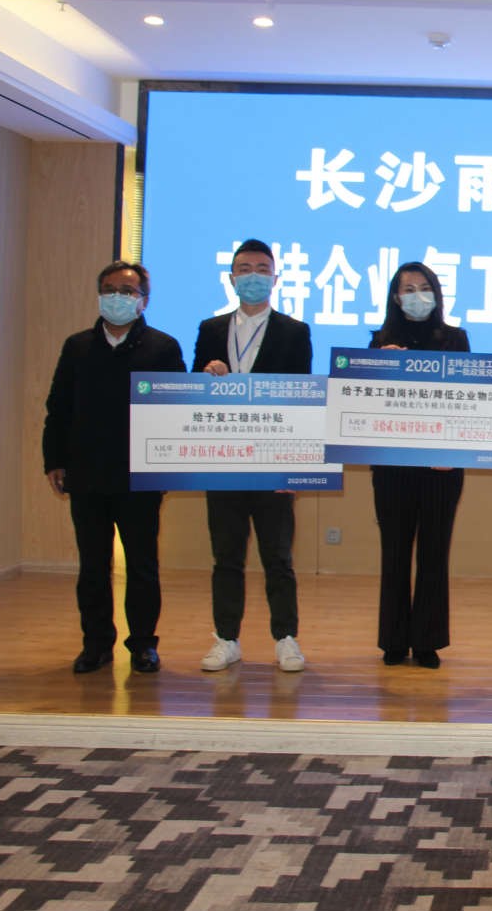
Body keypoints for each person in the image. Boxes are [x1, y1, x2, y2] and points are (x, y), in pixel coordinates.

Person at [43, 261, 186, 674]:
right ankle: (96, 644)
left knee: (142, 565)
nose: (117, 297)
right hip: (86, 473)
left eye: (127, 291)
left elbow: (179, 408)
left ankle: (143, 644)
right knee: (93, 566)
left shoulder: (163, 347)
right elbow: (58, 407)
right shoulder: (77, 346)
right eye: (109, 289)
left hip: (140, 475)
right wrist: (54, 460)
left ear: (144, 300)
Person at [192, 238, 314, 673]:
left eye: (262, 269)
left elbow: (302, 398)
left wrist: (294, 469)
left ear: (275, 278)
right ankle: (226, 639)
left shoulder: (295, 331)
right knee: (226, 556)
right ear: (231, 278)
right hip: (223, 460)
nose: (253, 276)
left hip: (272, 461)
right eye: (244, 269)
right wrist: (206, 375)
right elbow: (192, 393)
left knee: (277, 557)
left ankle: (286, 639)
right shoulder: (210, 329)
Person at [368, 261, 469, 669]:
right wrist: (380, 367)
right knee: (394, 552)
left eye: (423, 287)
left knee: (434, 552)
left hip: (441, 468)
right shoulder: (378, 343)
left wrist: (453, 451)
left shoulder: (456, 339)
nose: (416, 296)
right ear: (395, 298)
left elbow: (469, 399)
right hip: (392, 467)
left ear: (436, 293)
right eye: (407, 289)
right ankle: (393, 640)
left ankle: (427, 641)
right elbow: (362, 403)